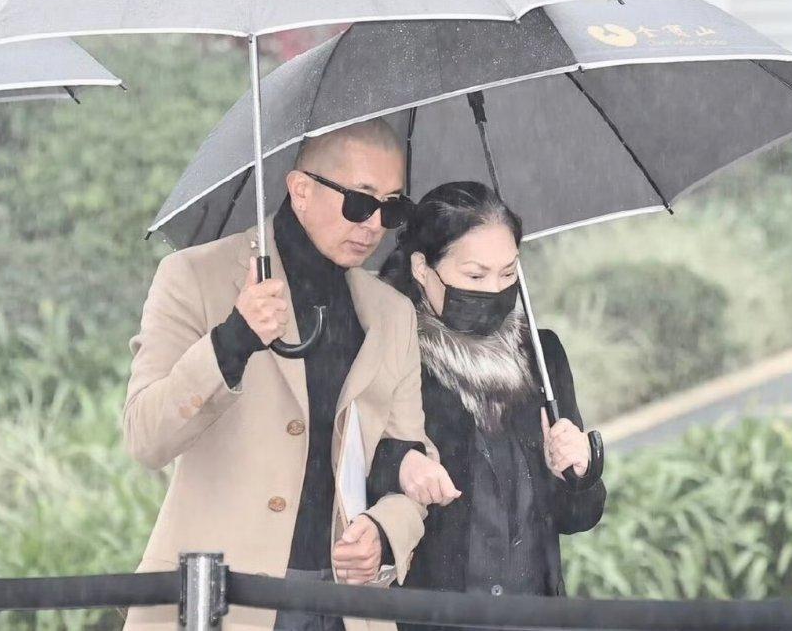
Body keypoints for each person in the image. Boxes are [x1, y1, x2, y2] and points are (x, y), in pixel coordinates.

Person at [122, 119, 457, 631]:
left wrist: (384, 533)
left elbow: (408, 454)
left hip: (347, 609)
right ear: (300, 190)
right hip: (219, 598)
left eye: (392, 208)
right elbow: (146, 437)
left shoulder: (391, 313)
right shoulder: (195, 276)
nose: (374, 225)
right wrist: (232, 340)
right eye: (359, 202)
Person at [374, 182, 606, 630]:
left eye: (508, 272)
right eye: (475, 276)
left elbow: (577, 518)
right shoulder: (395, 360)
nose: (496, 289)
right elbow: (357, 475)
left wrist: (578, 475)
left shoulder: (541, 357)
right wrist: (401, 465)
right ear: (422, 268)